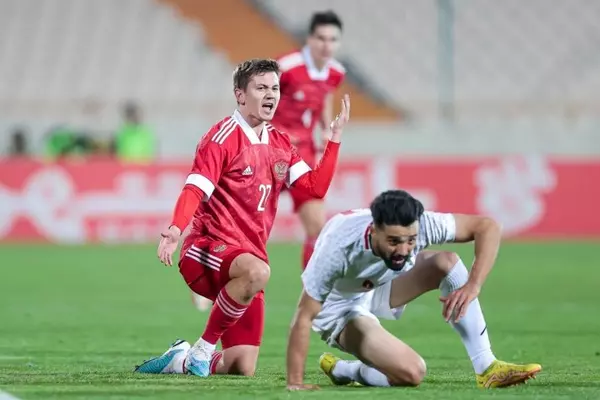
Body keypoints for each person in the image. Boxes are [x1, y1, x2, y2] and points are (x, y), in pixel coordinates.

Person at [133, 58, 351, 378]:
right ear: (240, 95)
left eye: (275, 88)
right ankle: (203, 348)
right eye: (261, 88)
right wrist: (176, 229)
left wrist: (334, 139)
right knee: (259, 271)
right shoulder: (221, 138)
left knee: (240, 366)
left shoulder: (280, 143)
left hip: (247, 264)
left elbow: (314, 188)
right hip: (206, 249)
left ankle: (179, 359)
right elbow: (195, 189)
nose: (270, 95)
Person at [286, 190, 542, 390]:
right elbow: (303, 316)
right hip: (339, 307)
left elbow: (487, 227)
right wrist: (295, 381)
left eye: (411, 240)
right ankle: (346, 370)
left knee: (447, 263)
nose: (404, 250)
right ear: (373, 230)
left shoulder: (421, 225)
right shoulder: (338, 248)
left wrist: (473, 285)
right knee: (411, 373)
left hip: (380, 283)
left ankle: (486, 367)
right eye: (394, 241)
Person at [272, 10, 345, 270]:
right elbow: (254, 97)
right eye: (321, 38)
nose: (327, 45)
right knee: (247, 222)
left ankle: (312, 288)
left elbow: (325, 96)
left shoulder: (335, 72)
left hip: (303, 154)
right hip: (271, 151)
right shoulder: (286, 67)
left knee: (317, 227)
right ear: (310, 39)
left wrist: (326, 128)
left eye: (333, 39)